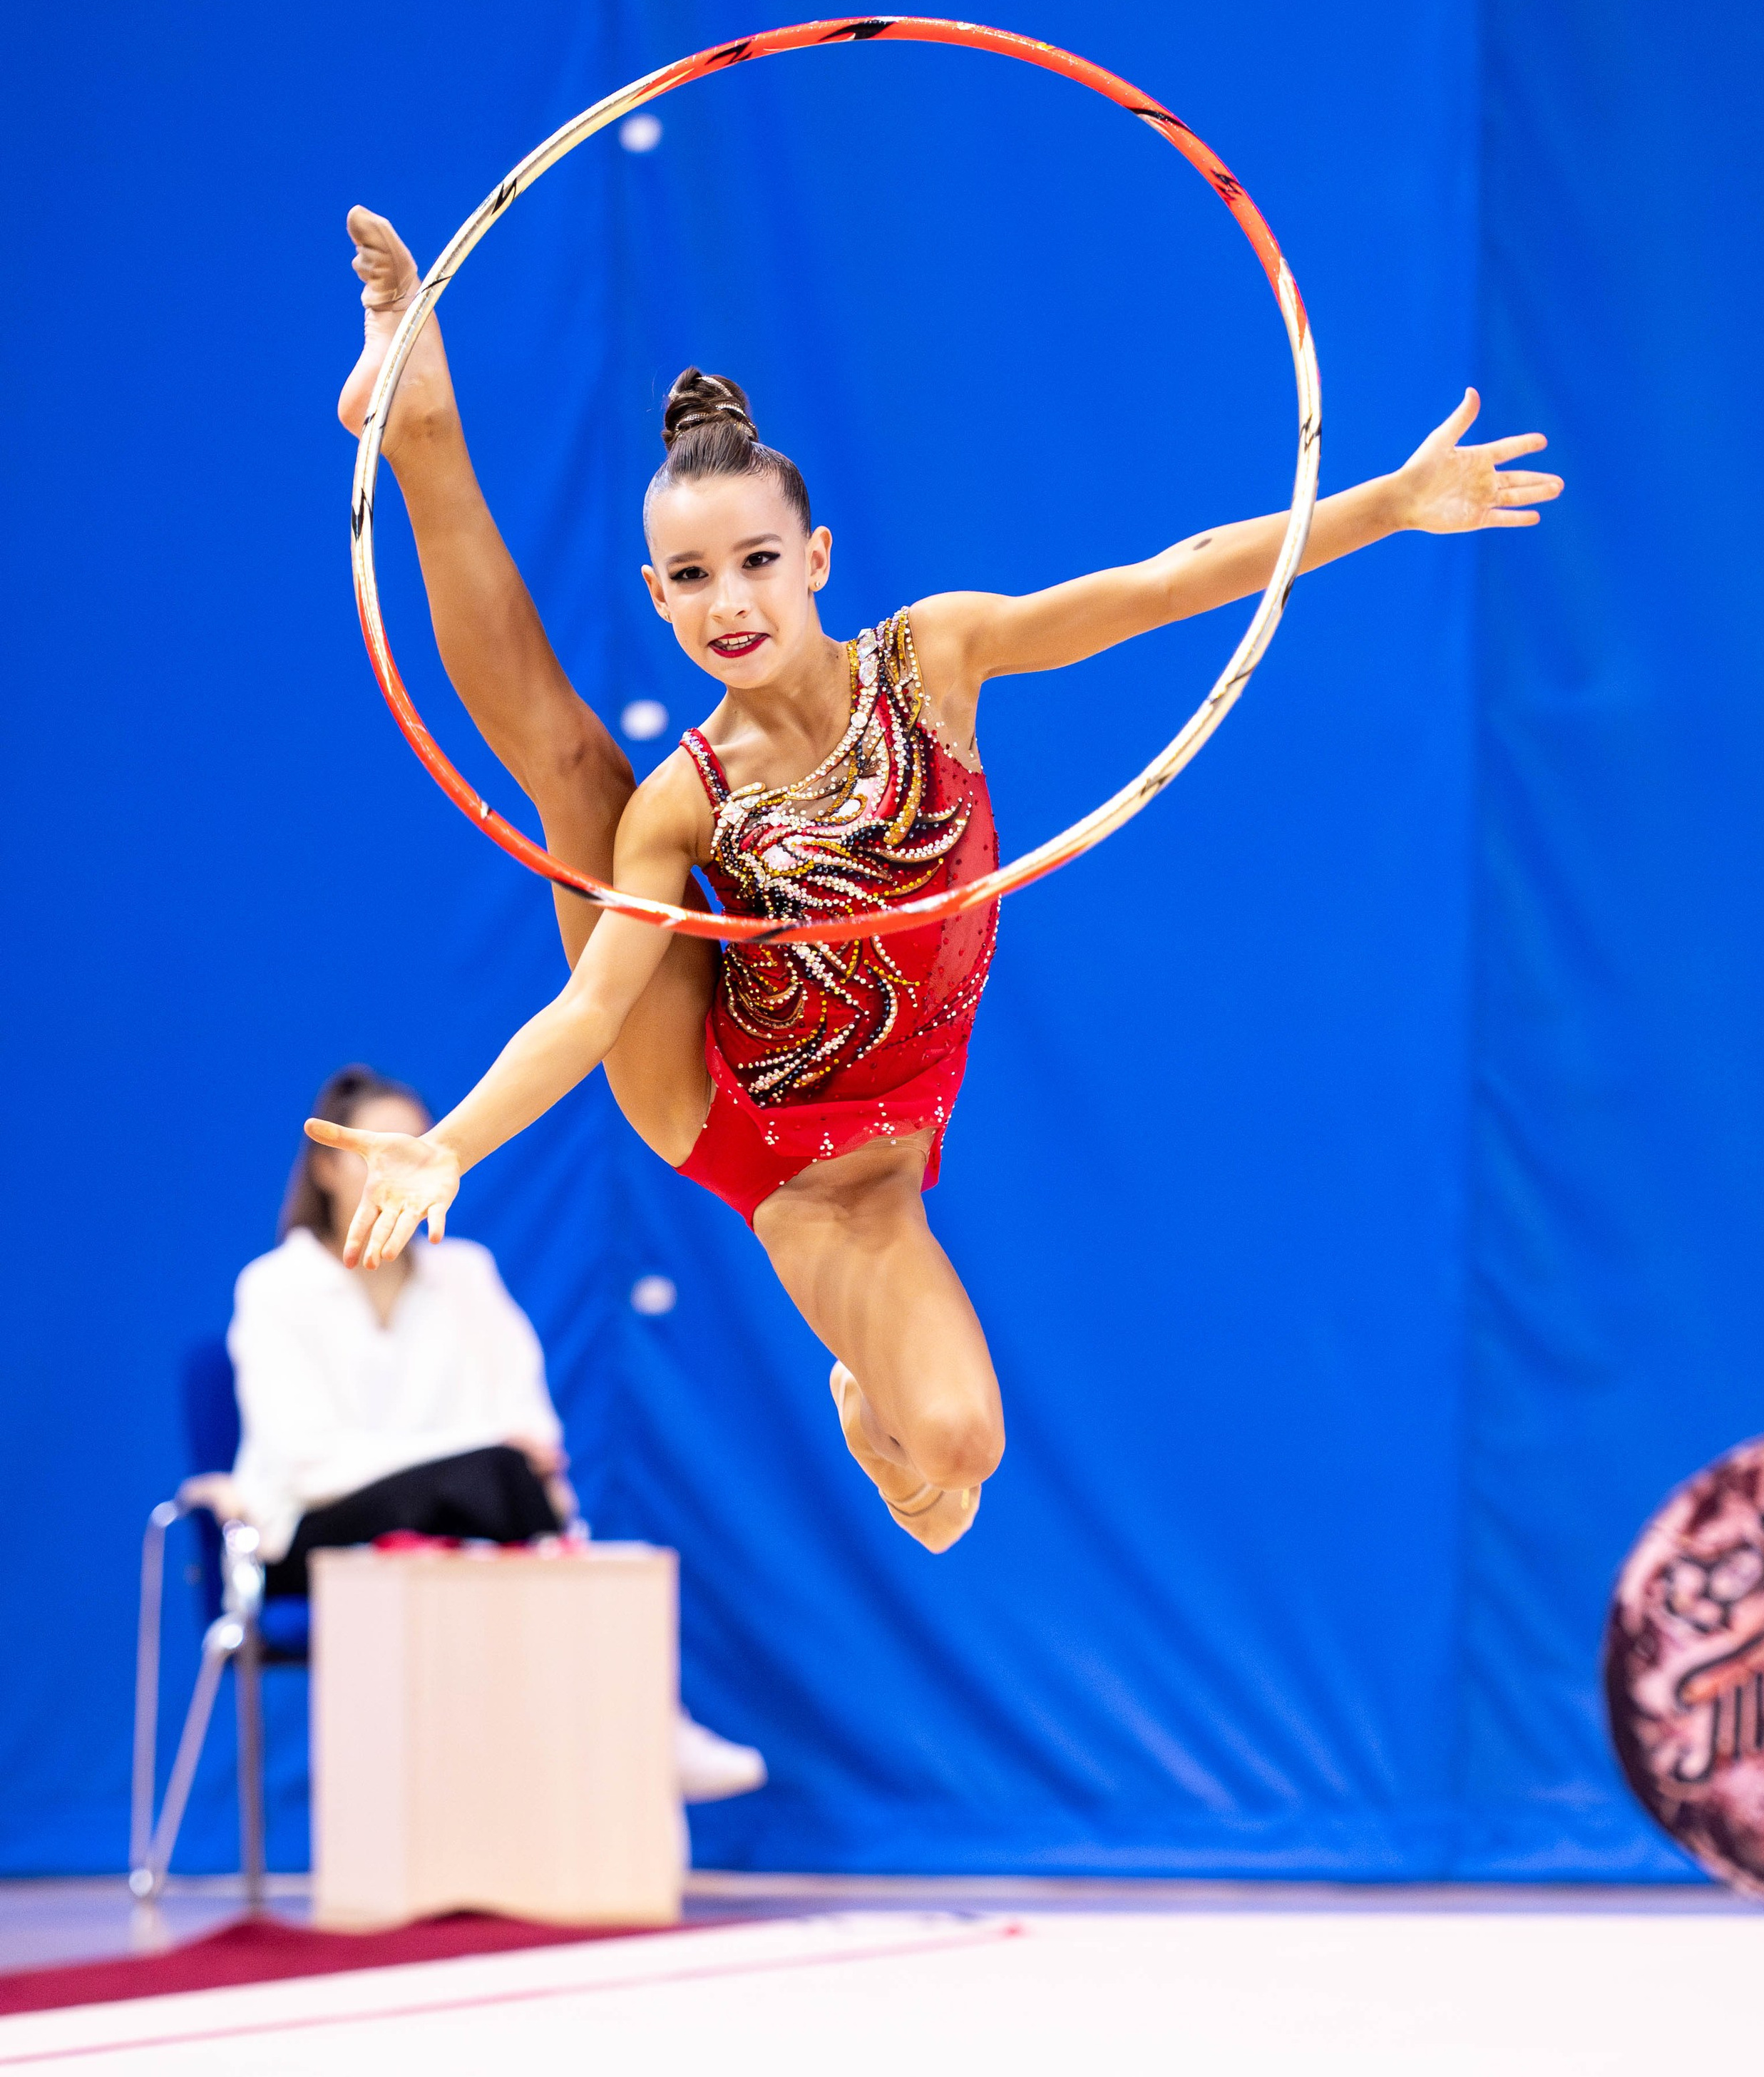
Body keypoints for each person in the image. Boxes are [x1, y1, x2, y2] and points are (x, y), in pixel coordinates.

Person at [312, 209, 1562, 1557]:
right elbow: (593, 1010)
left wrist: (1387, 502)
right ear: (657, 599)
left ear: (819, 559)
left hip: (890, 1136)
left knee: (955, 1473)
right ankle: (420, 407)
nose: (727, 600)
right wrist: (450, 1145)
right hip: (745, 1117)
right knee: (567, 766)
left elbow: (1166, 578)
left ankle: (879, 1425)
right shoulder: (686, 798)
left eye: (755, 561)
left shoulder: (936, 659)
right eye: (687, 577)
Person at [202, 1060, 766, 1802]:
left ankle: (610, 1754)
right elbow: (312, 1465)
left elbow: (527, 1420)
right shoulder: (274, 1289)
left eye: (417, 1143)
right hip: (313, 1540)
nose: (397, 1164)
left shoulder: (466, 1274)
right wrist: (468, 1458)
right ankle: (650, 1723)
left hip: (469, 1529)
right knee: (495, 1475)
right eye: (375, 1147)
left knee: (504, 1482)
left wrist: (484, 1463)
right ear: (327, 1169)